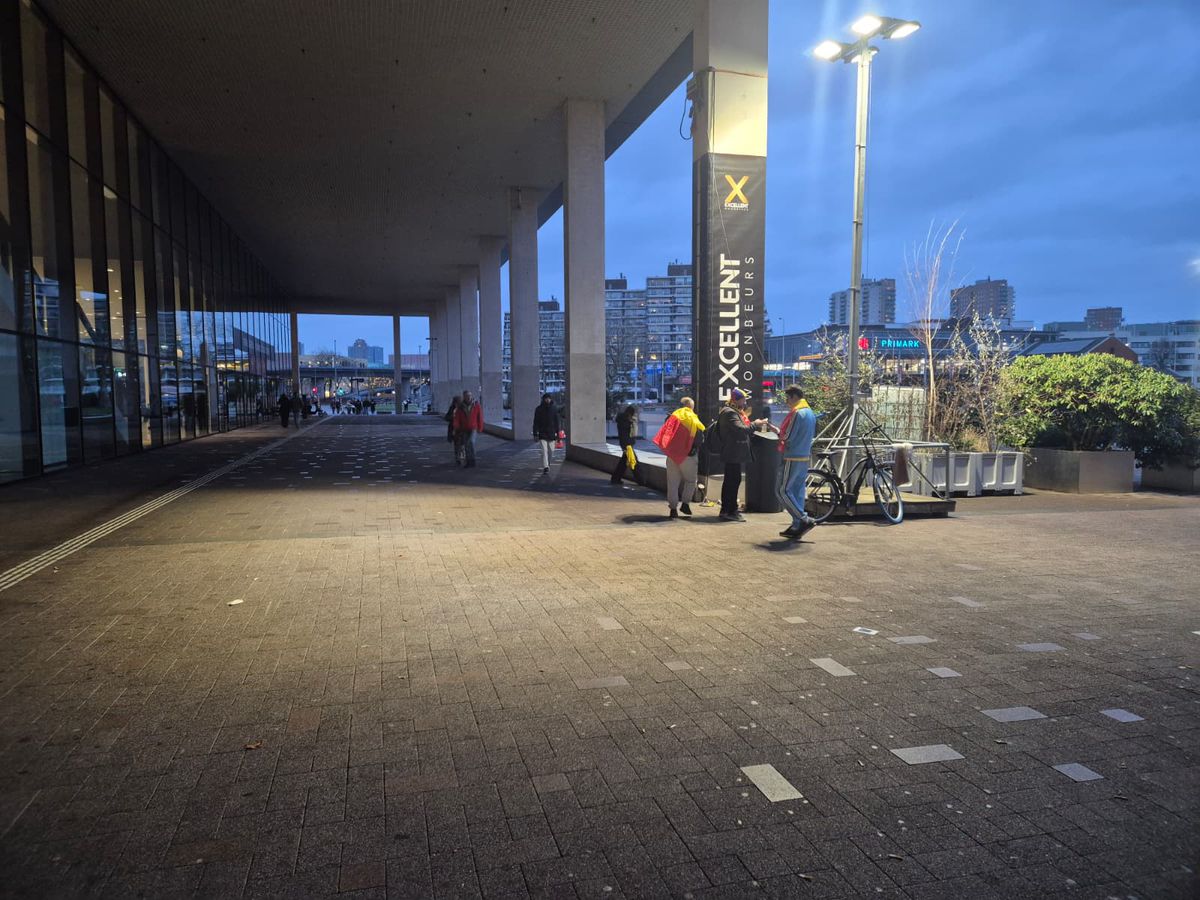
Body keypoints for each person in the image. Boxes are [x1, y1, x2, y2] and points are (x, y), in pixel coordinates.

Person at [716, 388, 768, 521]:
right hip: (732, 453)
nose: (745, 403)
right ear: (736, 400)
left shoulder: (731, 411)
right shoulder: (730, 413)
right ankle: (729, 511)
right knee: (732, 482)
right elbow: (741, 429)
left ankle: (728, 509)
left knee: (732, 481)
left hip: (733, 452)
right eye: (743, 400)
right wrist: (755, 424)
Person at [774, 385, 818, 540]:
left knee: (782, 490)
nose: (787, 402)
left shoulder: (797, 413)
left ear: (794, 397)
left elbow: (788, 436)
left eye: (787, 398)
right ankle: (796, 525)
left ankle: (803, 519)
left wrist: (776, 432)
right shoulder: (810, 413)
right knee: (797, 492)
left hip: (792, 456)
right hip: (804, 456)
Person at [652, 397, 705, 519]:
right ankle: (685, 503)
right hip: (688, 456)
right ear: (691, 407)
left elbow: (666, 434)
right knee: (690, 481)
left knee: (672, 483)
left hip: (672, 455)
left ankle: (673, 509)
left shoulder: (673, 417)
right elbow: (699, 439)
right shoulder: (693, 418)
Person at [610, 405, 640, 485]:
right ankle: (640, 480)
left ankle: (616, 478)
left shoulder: (622, 420)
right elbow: (632, 433)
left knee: (624, 462)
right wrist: (633, 422)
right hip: (627, 444)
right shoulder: (626, 421)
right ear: (630, 413)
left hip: (625, 443)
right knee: (632, 461)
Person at [453, 390, 485, 467]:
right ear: (464, 397)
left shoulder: (476, 405)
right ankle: (468, 461)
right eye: (466, 396)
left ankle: (473, 460)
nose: (468, 397)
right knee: (466, 445)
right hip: (464, 428)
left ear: (471, 396)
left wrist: (480, 427)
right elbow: (457, 418)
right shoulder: (460, 407)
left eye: (469, 395)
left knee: (470, 442)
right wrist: (456, 426)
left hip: (473, 428)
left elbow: (480, 417)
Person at [532, 394, 561, 474]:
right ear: (543, 399)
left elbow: (557, 422)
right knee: (544, 450)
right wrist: (535, 434)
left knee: (551, 450)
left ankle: (548, 463)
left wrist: (558, 434)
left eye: (549, 398)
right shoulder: (538, 409)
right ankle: (546, 467)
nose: (547, 400)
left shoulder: (554, 409)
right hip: (542, 433)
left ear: (551, 399)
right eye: (546, 398)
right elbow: (535, 422)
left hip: (552, 433)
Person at [444, 395, 461, 462]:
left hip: (463, 428)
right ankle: (458, 457)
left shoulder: (463, 408)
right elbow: (447, 417)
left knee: (462, 443)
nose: (457, 404)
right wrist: (453, 417)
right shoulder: (452, 408)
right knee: (457, 443)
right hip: (454, 429)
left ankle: (460, 456)